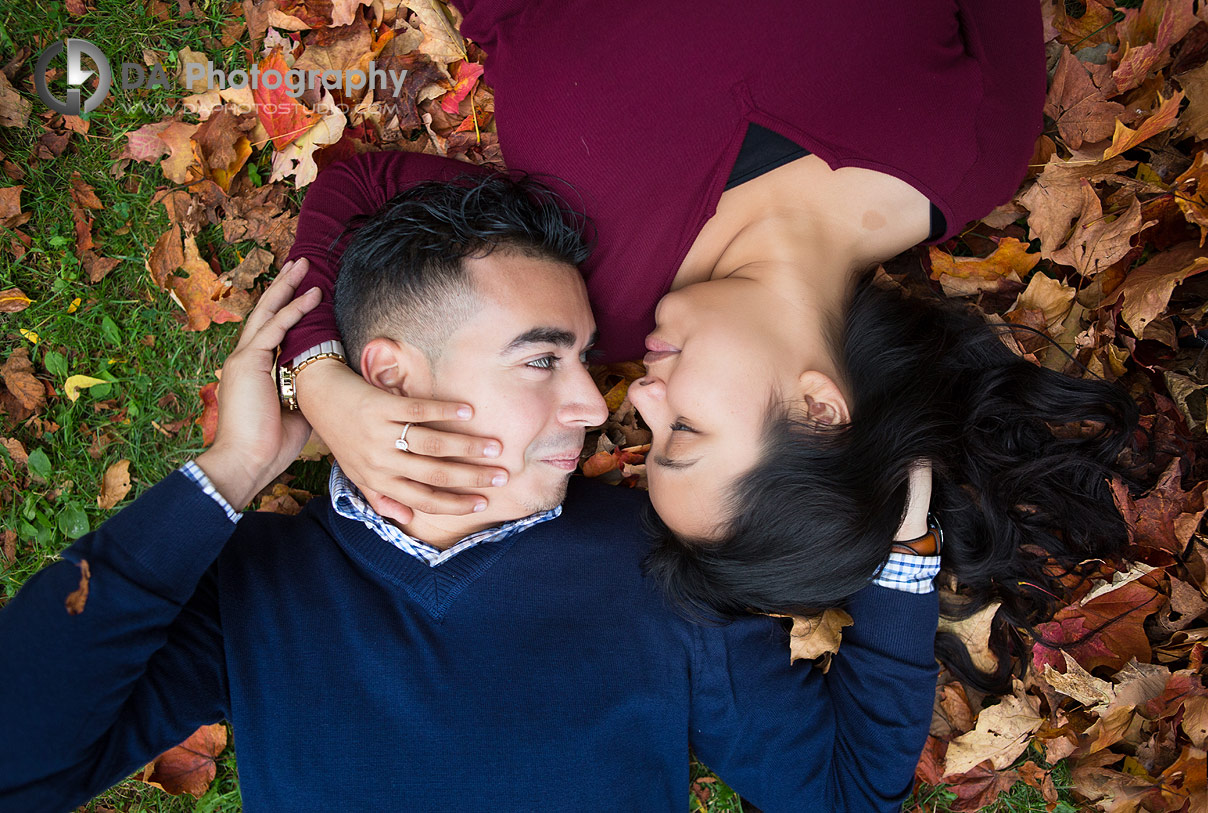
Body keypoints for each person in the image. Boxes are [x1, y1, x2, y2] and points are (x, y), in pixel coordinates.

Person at [0, 173, 942, 811]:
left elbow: (845, 793)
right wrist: (227, 475)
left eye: (583, 358)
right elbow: (20, 761)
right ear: (395, 375)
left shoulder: (650, 565)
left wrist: (901, 551)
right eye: (543, 358)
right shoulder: (256, 583)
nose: (593, 402)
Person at [274, 0, 1135, 690]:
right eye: (682, 433)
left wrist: (318, 378)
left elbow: (364, 190)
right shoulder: (975, 151)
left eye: (644, 437)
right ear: (819, 407)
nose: (635, 396)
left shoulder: (583, 293)